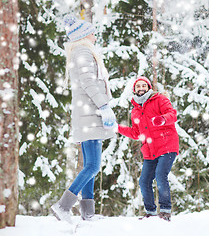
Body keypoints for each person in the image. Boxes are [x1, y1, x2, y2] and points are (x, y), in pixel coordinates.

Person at [50, 15, 116, 223]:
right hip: (90, 114)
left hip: (87, 115)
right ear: (83, 35)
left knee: (90, 164)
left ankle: (87, 213)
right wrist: (103, 105)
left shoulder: (81, 51)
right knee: (93, 166)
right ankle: (63, 206)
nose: (95, 36)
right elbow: (89, 81)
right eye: (92, 32)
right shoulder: (83, 51)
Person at [117, 76, 179, 221]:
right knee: (144, 181)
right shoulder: (135, 111)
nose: (141, 88)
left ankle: (165, 210)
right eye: (138, 86)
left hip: (167, 144)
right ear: (134, 89)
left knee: (160, 175)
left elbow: (172, 114)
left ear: (149, 87)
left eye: (144, 85)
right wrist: (117, 128)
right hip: (150, 151)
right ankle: (150, 212)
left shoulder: (160, 99)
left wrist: (163, 119)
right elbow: (135, 133)